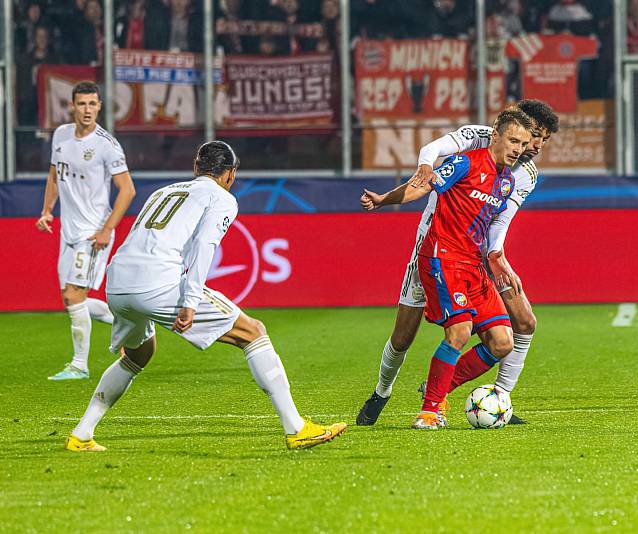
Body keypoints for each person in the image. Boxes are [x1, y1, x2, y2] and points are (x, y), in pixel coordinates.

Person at [64, 141, 347, 452]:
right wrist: (190, 301)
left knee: (137, 355)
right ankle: (297, 428)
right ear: (230, 174)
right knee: (253, 333)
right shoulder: (222, 198)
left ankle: (82, 434)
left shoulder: (164, 191)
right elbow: (204, 246)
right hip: (157, 282)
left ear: (196, 168)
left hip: (117, 282)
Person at [356, 100, 558, 427]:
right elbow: (431, 159)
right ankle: (384, 391)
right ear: (505, 131)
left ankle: (493, 397)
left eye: (540, 140)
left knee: (521, 324)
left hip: (480, 256)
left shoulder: (519, 177)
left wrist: (497, 255)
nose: (533, 146)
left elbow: (500, 221)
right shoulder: (474, 146)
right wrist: (402, 185)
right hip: (436, 248)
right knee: (405, 337)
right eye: (529, 136)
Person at [36, 81, 136, 381]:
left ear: (100, 106)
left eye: (93, 104)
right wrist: (47, 211)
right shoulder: (62, 135)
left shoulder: (107, 145)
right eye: (82, 104)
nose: (87, 110)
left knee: (75, 294)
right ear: (72, 106)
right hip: (69, 232)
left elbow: (127, 191)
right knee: (69, 299)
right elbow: (54, 175)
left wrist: (107, 230)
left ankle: (80, 365)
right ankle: (129, 324)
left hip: (93, 234)